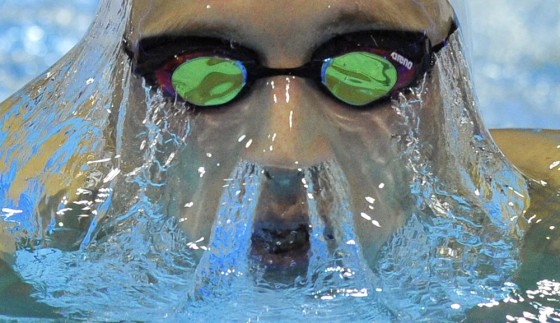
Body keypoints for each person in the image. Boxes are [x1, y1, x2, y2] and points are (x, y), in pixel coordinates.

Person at [0, 0, 558, 320]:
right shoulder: (28, 250)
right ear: (125, 97)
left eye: (362, 69)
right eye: (204, 73)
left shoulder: (546, 230)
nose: (284, 150)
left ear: (446, 90)